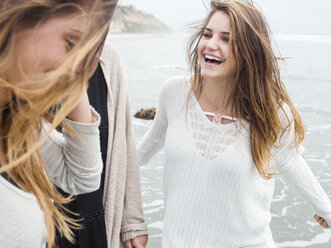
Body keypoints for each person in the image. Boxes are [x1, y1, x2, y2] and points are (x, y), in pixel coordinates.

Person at [137, 0, 331, 247]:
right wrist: (124, 200)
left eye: (226, 39)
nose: (210, 44)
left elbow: (291, 161)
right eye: (208, 34)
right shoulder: (174, 92)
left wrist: (326, 209)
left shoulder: (270, 111)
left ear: (249, 51)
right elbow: (141, 153)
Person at [0, 1, 117, 247]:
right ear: (20, 14)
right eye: (71, 43)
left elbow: (82, 178)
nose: (79, 71)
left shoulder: (19, 126)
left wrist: (73, 79)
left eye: (86, 55)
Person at [56, 43, 148, 248]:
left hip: (97, 217)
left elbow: (124, 141)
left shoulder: (108, 57)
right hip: (49, 219)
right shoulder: (26, 58)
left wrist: (133, 220)